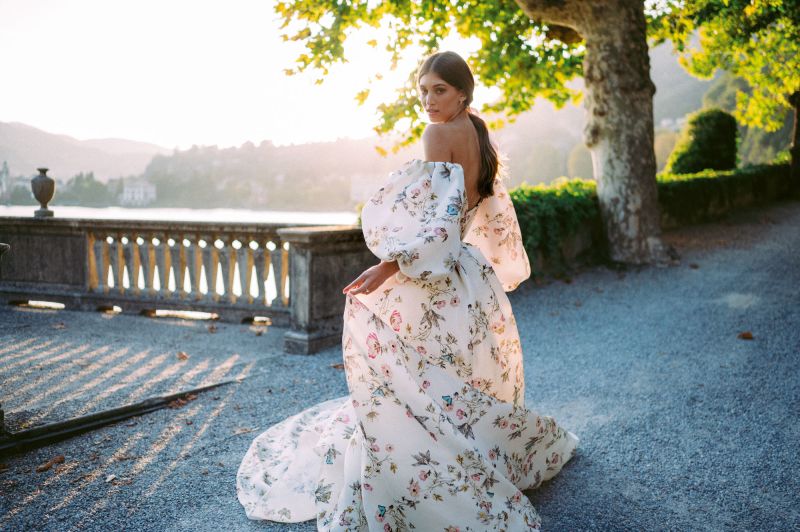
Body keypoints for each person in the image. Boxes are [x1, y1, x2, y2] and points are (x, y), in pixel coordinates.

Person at [236, 50, 579, 530]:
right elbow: (468, 217)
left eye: (439, 90)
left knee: (404, 365)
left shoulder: (438, 134)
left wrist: (386, 269)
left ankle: (426, 463)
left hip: (436, 276)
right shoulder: (477, 132)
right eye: (423, 90)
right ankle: (469, 452)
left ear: (462, 93)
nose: (428, 100)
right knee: (454, 373)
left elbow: (433, 223)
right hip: (468, 276)